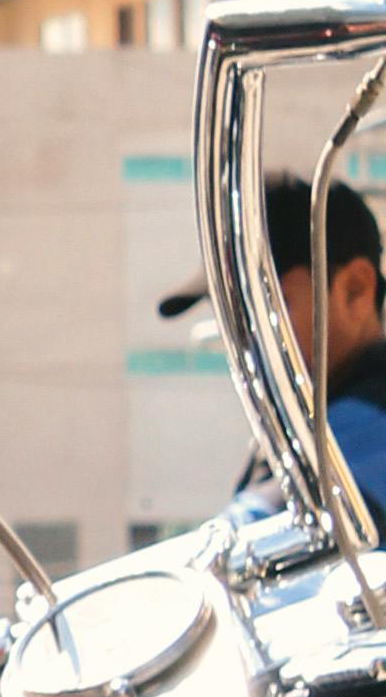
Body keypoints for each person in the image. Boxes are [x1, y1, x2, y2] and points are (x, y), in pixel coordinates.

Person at [161, 167, 386, 509]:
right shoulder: (300, 426)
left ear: (354, 289)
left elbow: (261, 527)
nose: (246, 344)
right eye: (232, 324)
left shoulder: (370, 420)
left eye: (265, 312)